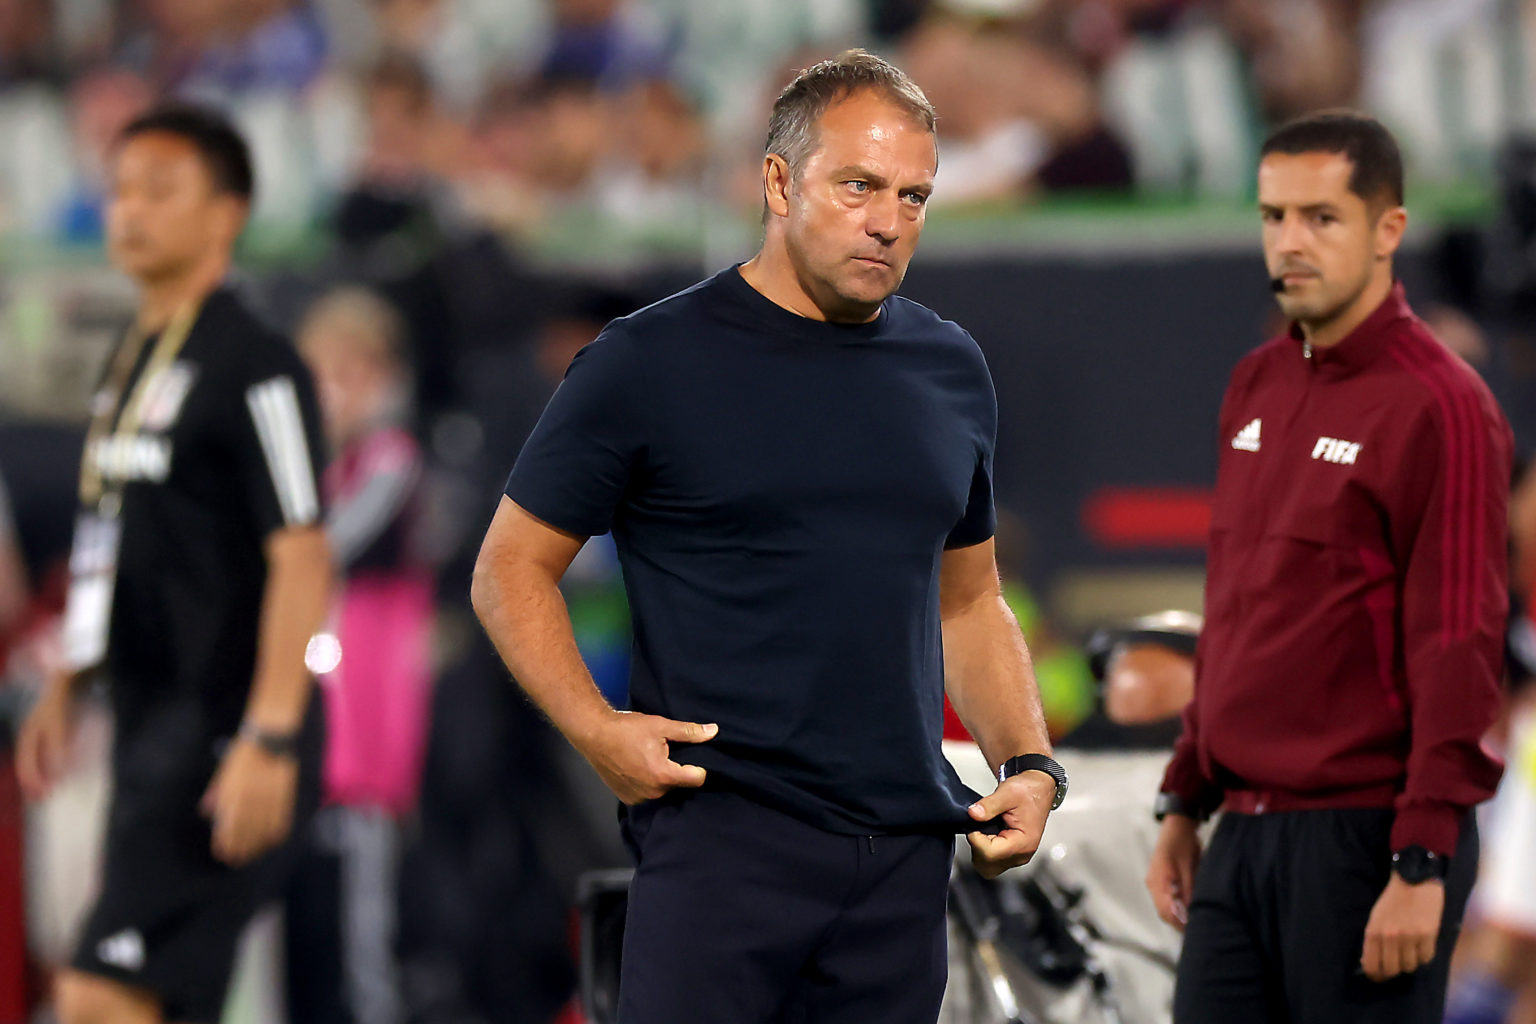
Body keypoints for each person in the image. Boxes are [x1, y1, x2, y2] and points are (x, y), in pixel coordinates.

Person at [471, 49, 1063, 1024]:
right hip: (721, 855)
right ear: (778, 182)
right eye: (860, 186)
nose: (888, 221)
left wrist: (1030, 765)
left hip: (903, 867)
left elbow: (970, 600)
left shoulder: (950, 367)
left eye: (914, 197)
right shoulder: (646, 361)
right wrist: (594, 726)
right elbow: (508, 571)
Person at [1145, 110, 1512, 1024]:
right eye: (1274, 217)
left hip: (1369, 837)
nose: (1291, 241)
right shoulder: (1255, 384)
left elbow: (1459, 639)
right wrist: (1185, 799)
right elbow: (1236, 610)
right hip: (1241, 836)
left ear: (1389, 228)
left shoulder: (1443, 404)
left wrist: (1422, 857)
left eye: (1322, 217)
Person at [14, 103, 331, 1024]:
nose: (130, 212)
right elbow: (107, 533)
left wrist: (269, 736)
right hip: (148, 731)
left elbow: (303, 552)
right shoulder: (129, 360)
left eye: (160, 190)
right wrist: (72, 675)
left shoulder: (260, 363)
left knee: (96, 996)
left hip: (228, 733)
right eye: (118, 191)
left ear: (227, 213)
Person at [286, 286, 433, 1024]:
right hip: (312, 706)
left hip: (370, 713)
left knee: (365, 922)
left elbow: (322, 546)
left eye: (345, 370)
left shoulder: (390, 459)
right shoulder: (319, 467)